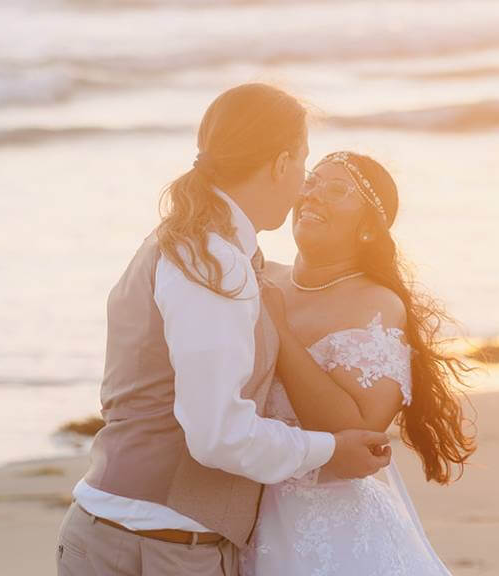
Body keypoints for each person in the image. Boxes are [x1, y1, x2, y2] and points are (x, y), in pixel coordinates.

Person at [56, 86, 392, 576]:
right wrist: (329, 451)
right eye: (303, 163)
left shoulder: (193, 242)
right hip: (157, 550)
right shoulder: (213, 261)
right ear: (280, 164)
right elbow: (218, 436)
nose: (303, 185)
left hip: (126, 535)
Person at [243, 151, 475, 575]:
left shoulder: (376, 305)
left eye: (335, 190)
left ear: (368, 227)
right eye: (310, 182)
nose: (312, 196)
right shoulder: (257, 276)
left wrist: (283, 336)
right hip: (235, 514)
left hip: (328, 533)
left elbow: (358, 433)